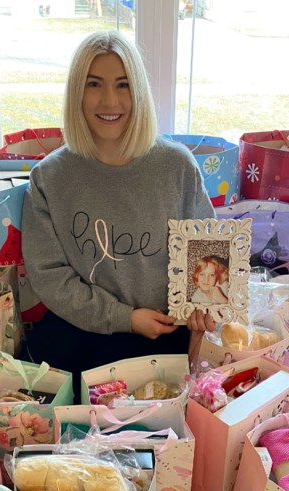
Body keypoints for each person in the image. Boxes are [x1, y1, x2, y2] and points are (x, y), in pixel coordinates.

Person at [21, 30, 217, 389]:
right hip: (81, 332)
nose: (109, 100)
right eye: (94, 84)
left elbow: (206, 251)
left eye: (123, 85)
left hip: (166, 333)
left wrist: (203, 307)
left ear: (139, 92)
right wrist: (124, 317)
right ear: (76, 92)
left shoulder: (177, 166)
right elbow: (49, 276)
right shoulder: (49, 177)